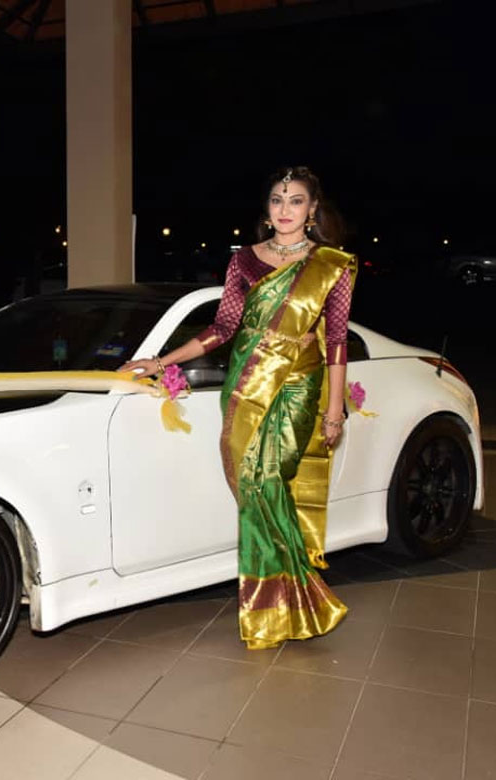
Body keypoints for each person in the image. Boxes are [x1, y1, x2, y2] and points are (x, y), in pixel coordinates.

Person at [122, 166, 356, 649]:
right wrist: (161, 360)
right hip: (246, 387)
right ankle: (285, 603)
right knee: (253, 488)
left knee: (270, 482)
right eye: (277, 200)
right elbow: (222, 329)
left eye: (295, 201)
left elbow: (336, 341)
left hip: (298, 387)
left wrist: (334, 410)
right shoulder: (244, 261)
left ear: (312, 209)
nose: (285, 209)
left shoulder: (332, 265)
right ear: (266, 209)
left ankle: (288, 600)